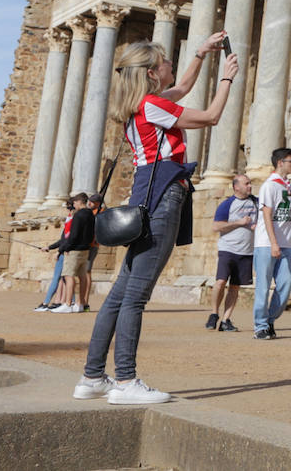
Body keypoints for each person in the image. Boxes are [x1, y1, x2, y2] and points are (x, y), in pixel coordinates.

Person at [72, 32, 238, 405]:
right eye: (164, 60)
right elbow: (210, 116)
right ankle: (126, 380)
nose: (169, 64)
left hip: (145, 194)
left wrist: (200, 54)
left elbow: (181, 86)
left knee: (119, 296)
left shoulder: (142, 106)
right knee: (135, 297)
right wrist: (226, 77)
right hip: (162, 195)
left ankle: (92, 376)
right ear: (150, 73)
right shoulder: (151, 106)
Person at [253, 149, 291, 340]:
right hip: (267, 244)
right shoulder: (269, 186)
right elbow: (267, 214)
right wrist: (273, 243)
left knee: (285, 283)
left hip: (285, 244)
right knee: (263, 286)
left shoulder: (289, 187)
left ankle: (270, 320)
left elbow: (289, 214)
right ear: (280, 162)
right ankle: (260, 326)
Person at [207, 173, 258, 331]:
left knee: (235, 287)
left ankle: (226, 319)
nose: (249, 186)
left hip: (247, 251)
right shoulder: (227, 204)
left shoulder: (256, 202)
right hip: (228, 248)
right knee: (220, 282)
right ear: (236, 187)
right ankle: (214, 313)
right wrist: (239, 222)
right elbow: (216, 227)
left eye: (250, 183)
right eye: (246, 183)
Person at [53, 192, 95, 313]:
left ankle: (67, 304)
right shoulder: (91, 215)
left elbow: (74, 235)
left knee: (68, 275)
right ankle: (80, 304)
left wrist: (63, 249)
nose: (74, 205)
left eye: (75, 202)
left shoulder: (79, 215)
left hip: (75, 249)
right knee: (82, 277)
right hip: (86, 249)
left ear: (79, 202)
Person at [35, 201, 74, 311]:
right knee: (67, 279)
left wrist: (59, 251)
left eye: (68, 208)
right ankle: (72, 301)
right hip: (66, 251)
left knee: (57, 278)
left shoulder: (72, 221)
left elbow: (66, 240)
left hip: (65, 253)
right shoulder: (70, 220)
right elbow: (63, 240)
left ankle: (45, 303)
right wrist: (49, 247)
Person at [82, 194, 104, 311]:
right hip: (87, 244)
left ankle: (85, 301)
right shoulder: (92, 212)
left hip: (92, 245)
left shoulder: (101, 213)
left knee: (87, 272)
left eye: (92, 201)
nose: (89, 203)